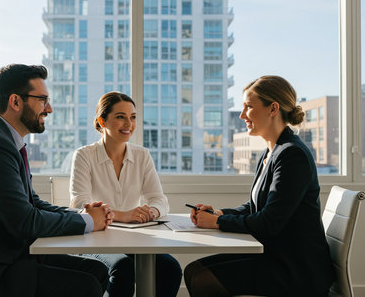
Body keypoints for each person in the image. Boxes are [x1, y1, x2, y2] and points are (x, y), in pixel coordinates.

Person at [0, 64, 114, 297]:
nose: (50, 109)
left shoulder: (5, 141)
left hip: (10, 257)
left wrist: (81, 215)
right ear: (15, 102)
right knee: (87, 285)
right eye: (42, 100)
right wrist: (88, 222)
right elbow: (25, 222)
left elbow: (32, 203)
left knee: (97, 270)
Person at [184, 76, 335, 297]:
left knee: (201, 278)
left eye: (248, 107)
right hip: (275, 254)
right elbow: (256, 206)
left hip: (296, 269)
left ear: (273, 108)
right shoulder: (270, 152)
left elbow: (269, 222)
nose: (242, 114)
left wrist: (217, 222)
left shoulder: (292, 155)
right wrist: (219, 213)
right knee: (193, 270)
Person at [69, 91, 182, 297]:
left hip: (135, 239)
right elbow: (80, 203)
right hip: (95, 240)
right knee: (123, 268)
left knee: (170, 268)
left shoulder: (142, 155)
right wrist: (123, 215)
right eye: (120, 117)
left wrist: (152, 211)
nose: (128, 124)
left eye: (133, 117)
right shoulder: (84, 155)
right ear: (102, 121)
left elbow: (159, 199)